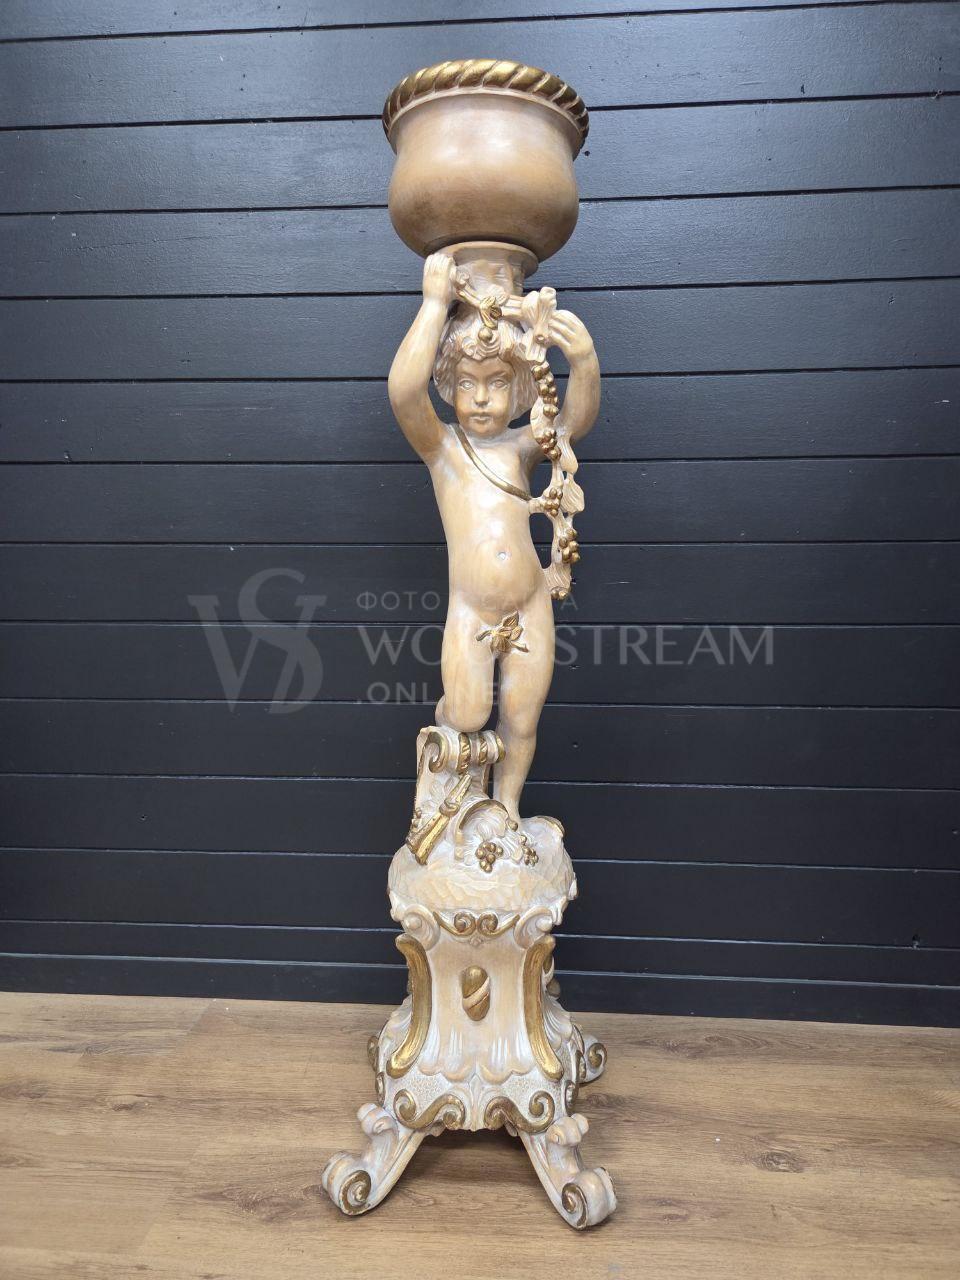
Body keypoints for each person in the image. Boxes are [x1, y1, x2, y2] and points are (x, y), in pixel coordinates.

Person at [388, 252, 600, 821]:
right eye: (467, 383)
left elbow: (570, 425)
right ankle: (451, 778)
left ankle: (505, 812)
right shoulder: (443, 449)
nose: (481, 397)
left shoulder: (520, 448)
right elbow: (404, 394)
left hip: (530, 604)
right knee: (465, 713)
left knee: (522, 719)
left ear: (521, 388)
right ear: (448, 385)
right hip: (471, 609)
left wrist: (583, 362)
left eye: (497, 382)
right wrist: (434, 306)